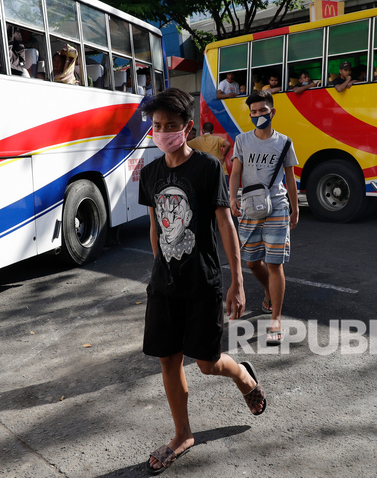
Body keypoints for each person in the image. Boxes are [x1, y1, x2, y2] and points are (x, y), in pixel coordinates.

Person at [138, 88, 265, 475]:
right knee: (168, 358)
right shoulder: (151, 173)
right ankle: (182, 434)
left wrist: (237, 282)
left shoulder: (208, 168)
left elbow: (225, 223)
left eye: (171, 126)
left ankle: (243, 375)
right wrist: (160, 268)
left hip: (203, 282)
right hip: (165, 285)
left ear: (187, 127)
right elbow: (155, 225)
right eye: (157, 126)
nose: (163, 132)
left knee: (207, 363)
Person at [230, 90, 299, 345]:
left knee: (275, 263)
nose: (258, 115)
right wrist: (232, 198)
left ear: (272, 112)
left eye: (262, 111)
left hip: (277, 206)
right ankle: (269, 290)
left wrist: (296, 207)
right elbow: (235, 172)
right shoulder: (242, 141)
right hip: (249, 206)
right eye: (254, 112)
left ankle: (276, 319)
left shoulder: (284, 142)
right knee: (250, 261)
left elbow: (290, 177)